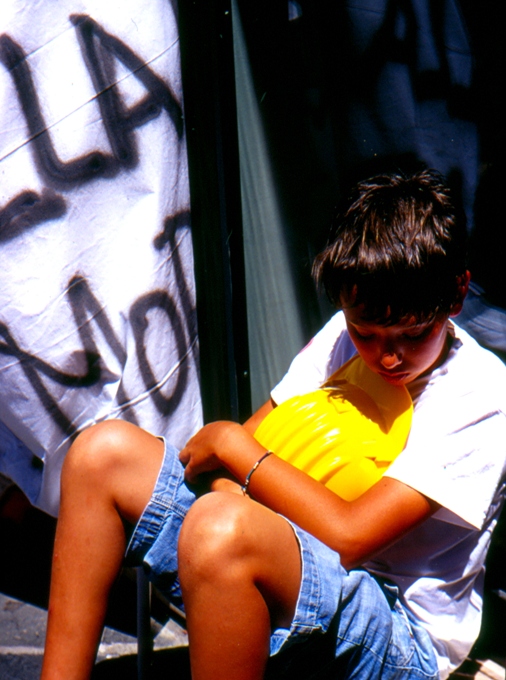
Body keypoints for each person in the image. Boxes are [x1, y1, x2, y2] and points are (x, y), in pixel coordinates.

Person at [40, 170, 506, 680]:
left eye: (412, 332)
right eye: (366, 333)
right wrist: (235, 478)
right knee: (101, 453)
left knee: (221, 527)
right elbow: (236, 466)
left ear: (458, 294)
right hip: (293, 552)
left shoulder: (481, 395)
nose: (387, 355)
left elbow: (349, 536)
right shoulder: (341, 338)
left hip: (399, 632)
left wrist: (231, 447)